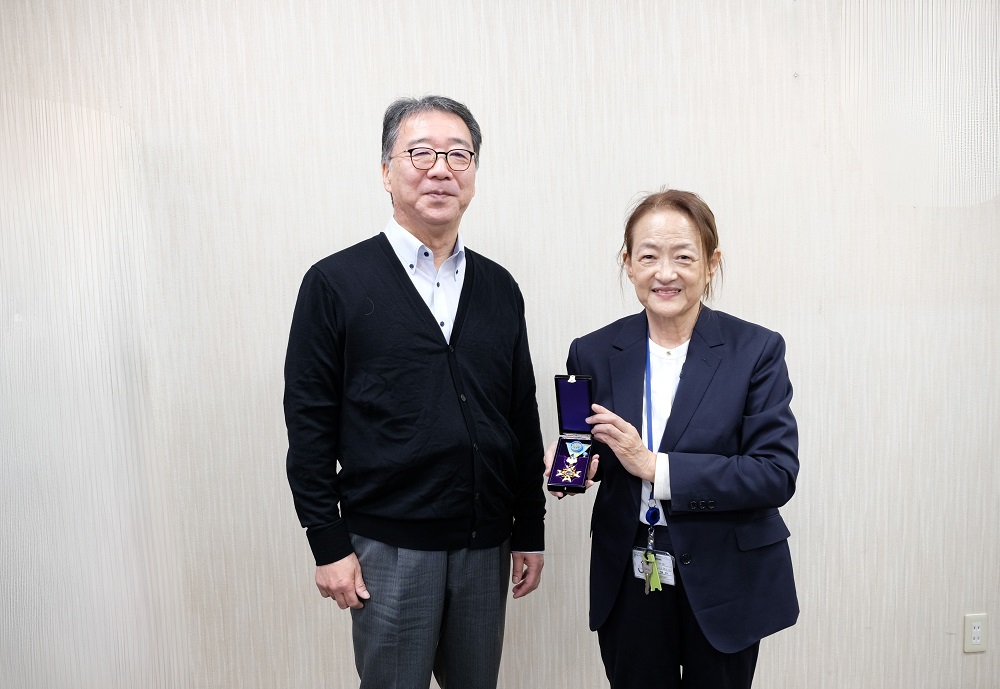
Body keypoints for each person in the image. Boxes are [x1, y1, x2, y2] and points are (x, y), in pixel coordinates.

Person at [284, 95, 546, 689]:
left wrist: (529, 527)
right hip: (389, 546)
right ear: (386, 171)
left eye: (459, 155)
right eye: (421, 153)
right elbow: (309, 425)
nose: (441, 169)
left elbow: (519, 415)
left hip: (485, 545)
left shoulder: (500, 287)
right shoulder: (334, 283)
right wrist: (328, 544)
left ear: (474, 173)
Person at [546, 190, 798, 689]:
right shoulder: (593, 351)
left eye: (683, 256)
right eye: (648, 257)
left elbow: (775, 473)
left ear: (711, 263)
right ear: (628, 264)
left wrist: (654, 466)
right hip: (629, 574)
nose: (665, 273)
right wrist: (575, 467)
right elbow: (590, 446)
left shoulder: (755, 350)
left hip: (725, 577)